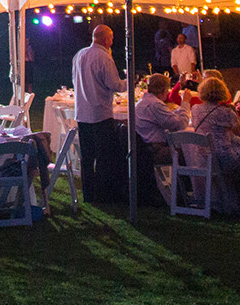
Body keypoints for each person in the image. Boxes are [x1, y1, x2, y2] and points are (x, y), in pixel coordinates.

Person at [71, 24, 127, 202]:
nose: (112, 41)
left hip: (82, 112)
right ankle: (103, 193)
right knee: (104, 156)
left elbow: (74, 79)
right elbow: (114, 84)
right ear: (105, 39)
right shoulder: (103, 57)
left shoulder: (80, 55)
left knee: (87, 156)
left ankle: (88, 193)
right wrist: (128, 82)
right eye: (111, 38)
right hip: (100, 113)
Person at [190, 77, 240, 212]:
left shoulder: (195, 109)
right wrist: (233, 111)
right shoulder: (225, 112)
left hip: (202, 158)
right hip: (224, 159)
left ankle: (228, 200)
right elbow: (238, 128)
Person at [130, 73, 189, 207]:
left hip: (144, 147)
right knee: (189, 154)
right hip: (154, 150)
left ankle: (181, 193)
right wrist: (185, 103)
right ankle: (185, 194)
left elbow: (169, 118)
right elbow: (180, 125)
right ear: (164, 90)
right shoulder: (155, 104)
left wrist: (178, 112)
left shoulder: (144, 101)